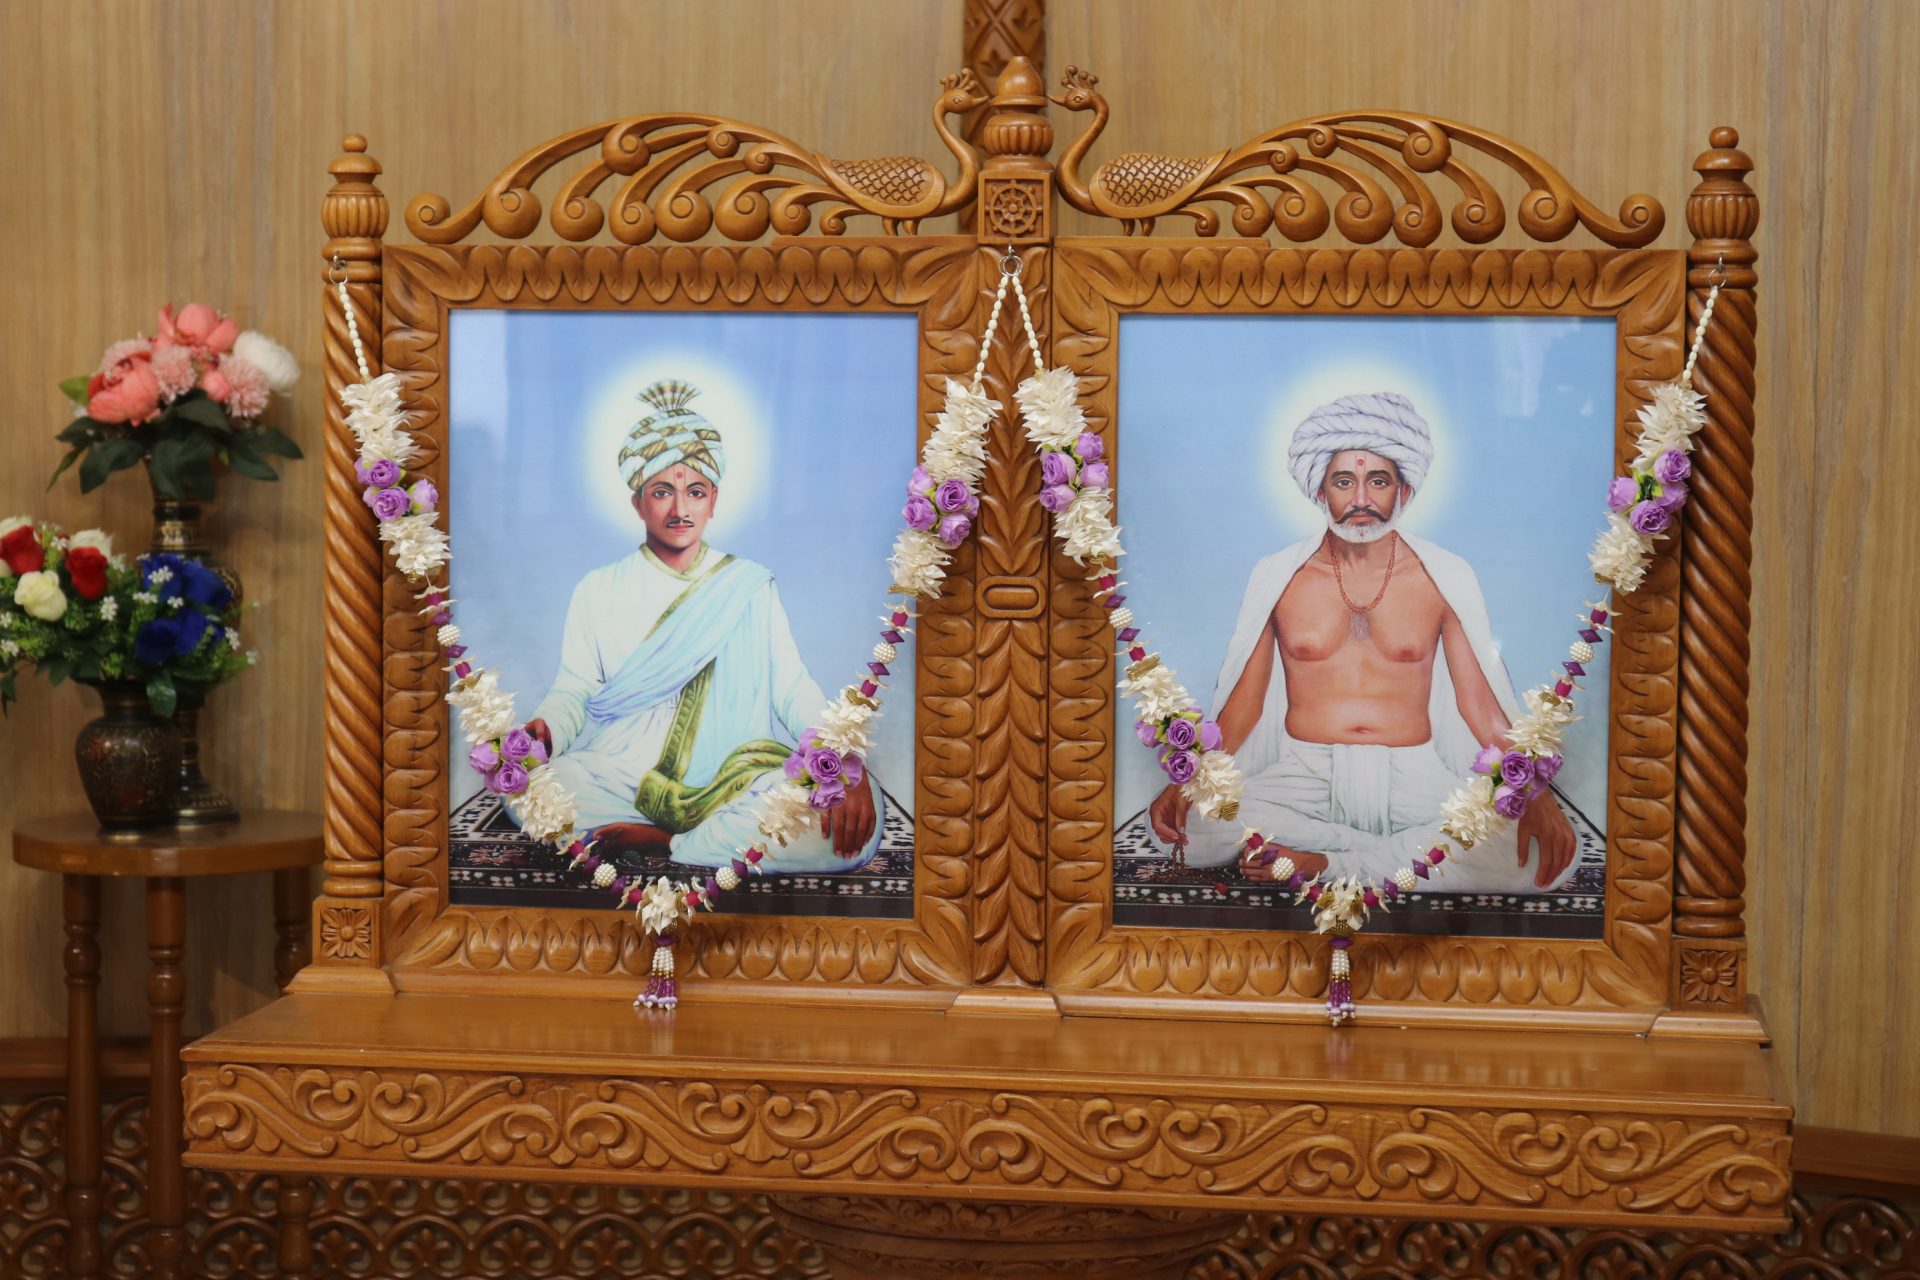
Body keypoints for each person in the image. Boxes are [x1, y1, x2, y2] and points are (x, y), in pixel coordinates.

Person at [1148, 392, 1577, 892]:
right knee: (1188, 827)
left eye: (1378, 481)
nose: (1360, 500)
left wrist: (1538, 796)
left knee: (1525, 853)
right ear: (1320, 492)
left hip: (1411, 776)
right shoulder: (1280, 576)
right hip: (1303, 775)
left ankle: (1325, 864)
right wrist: (1189, 780)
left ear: (1405, 493)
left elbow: (1479, 705)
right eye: (1343, 482)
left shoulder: (1442, 576)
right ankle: (1373, 858)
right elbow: (1244, 706)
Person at [524, 379, 881, 871]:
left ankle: (667, 843)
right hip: (622, 779)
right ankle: (699, 840)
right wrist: (543, 734)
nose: (679, 509)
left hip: (735, 778)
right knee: (536, 794)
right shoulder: (598, 588)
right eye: (662, 492)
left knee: (855, 823)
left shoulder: (748, 586)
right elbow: (575, 688)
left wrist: (840, 762)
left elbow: (792, 688)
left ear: (713, 500)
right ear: (637, 502)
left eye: (694, 492)